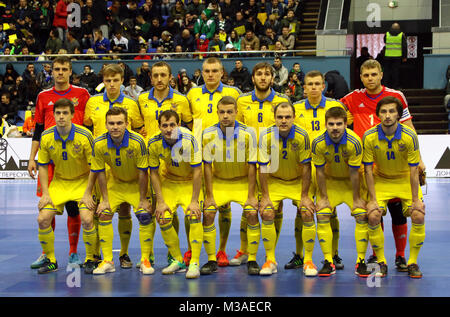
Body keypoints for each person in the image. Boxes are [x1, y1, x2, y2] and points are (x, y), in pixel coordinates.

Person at [340, 59, 425, 271]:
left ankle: (400, 256)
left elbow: (409, 126)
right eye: (366, 75)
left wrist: (420, 159)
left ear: (381, 74)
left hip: (396, 163)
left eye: (374, 74)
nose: (370, 78)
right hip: (366, 166)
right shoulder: (351, 98)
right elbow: (333, 114)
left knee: (398, 211)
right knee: (374, 211)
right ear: (361, 77)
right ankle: (376, 254)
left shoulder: (396, 96)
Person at [28, 56, 91, 269]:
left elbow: (90, 127)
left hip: (76, 159)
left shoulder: (82, 94)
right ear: (51, 72)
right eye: (57, 69)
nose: (60, 72)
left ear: (70, 71)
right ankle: (48, 253)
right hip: (50, 158)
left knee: (75, 208)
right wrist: (32, 158)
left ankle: (74, 251)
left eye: (64, 69)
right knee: (47, 206)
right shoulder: (43, 96)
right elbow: (37, 129)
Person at [83, 63, 144, 269]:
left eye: (115, 80)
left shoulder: (131, 103)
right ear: (103, 81)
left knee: (125, 209)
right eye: (107, 80)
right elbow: (87, 128)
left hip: (124, 165)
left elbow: (138, 130)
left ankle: (124, 254)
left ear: (122, 81)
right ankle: (96, 255)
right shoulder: (92, 102)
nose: (111, 84)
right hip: (100, 163)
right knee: (100, 210)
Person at [82, 107, 153, 275]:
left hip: (137, 184)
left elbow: (144, 173)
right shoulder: (99, 143)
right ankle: (107, 260)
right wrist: (105, 199)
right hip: (115, 184)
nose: (115, 127)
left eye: (119, 123)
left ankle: (145, 259)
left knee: (144, 214)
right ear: (105, 125)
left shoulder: (138, 142)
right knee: (104, 212)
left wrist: (143, 199)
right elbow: (99, 172)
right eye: (111, 123)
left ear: (127, 124)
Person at [288, 71, 347, 271]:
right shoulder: (295, 109)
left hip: (328, 168)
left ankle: (334, 254)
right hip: (304, 167)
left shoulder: (335, 107)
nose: (313, 87)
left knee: (330, 210)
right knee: (301, 210)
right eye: (309, 84)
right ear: (303, 87)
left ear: (324, 86)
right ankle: (299, 254)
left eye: (317, 83)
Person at [187, 57, 241, 266]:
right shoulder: (192, 94)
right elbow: (188, 122)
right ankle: (193, 250)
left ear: (222, 72)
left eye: (215, 70)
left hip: (224, 154)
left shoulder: (233, 93)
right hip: (198, 155)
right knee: (195, 204)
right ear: (202, 72)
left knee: (223, 205)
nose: (210, 74)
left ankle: (221, 250)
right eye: (207, 71)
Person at [363, 96, 425, 278]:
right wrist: (372, 200)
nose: (388, 115)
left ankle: (412, 262)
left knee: (418, 214)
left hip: (405, 179)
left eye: (392, 111)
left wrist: (415, 200)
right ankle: (381, 261)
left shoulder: (410, 136)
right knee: (373, 215)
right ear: (377, 115)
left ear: (398, 114)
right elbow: (367, 170)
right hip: (381, 179)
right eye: (383, 111)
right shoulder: (369, 136)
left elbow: (414, 171)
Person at [234, 62, 290, 266]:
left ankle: (270, 252)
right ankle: (244, 250)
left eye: (267, 74)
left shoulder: (282, 100)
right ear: (253, 78)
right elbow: (237, 129)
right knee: (247, 205)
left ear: (273, 78)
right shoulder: (241, 101)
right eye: (259, 74)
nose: (263, 78)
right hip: (247, 159)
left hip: (274, 160)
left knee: (274, 206)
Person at [35, 98, 97, 274]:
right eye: (58, 113)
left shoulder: (85, 135)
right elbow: (43, 165)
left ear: (72, 115)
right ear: (53, 115)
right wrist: (46, 193)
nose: (61, 117)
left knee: (86, 219)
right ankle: (51, 259)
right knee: (43, 219)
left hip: (83, 182)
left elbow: (95, 167)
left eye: (65, 113)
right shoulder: (46, 136)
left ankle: (91, 258)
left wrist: (88, 192)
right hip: (60, 183)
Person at [311, 106, 372, 277]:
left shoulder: (354, 142)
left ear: (346, 124)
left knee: (361, 214)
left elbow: (354, 173)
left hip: (350, 184)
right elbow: (320, 172)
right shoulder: (317, 142)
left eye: (339, 123)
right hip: (330, 183)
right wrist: (322, 197)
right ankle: (328, 261)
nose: (335, 127)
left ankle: (360, 261)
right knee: (322, 213)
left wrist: (357, 198)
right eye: (331, 124)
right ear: (325, 124)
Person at [200, 96, 258, 275]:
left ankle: (252, 259)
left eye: (229, 112)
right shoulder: (208, 134)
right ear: (217, 113)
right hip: (219, 182)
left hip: (241, 182)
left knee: (251, 212)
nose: (225, 116)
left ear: (236, 113)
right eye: (222, 112)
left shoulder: (248, 134)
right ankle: (211, 259)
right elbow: (207, 167)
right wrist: (209, 195)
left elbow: (252, 166)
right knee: (208, 213)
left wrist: (251, 195)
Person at [257, 102, 314, 276]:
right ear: (274, 118)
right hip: (275, 181)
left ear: (294, 118)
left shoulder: (302, 136)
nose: (283, 120)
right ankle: (270, 259)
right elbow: (263, 167)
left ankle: (308, 261)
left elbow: (306, 168)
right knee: (266, 212)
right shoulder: (265, 135)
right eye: (280, 117)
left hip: (298, 182)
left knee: (306, 211)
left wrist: (305, 196)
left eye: (287, 117)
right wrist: (265, 196)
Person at [148, 110, 203, 278]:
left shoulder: (190, 139)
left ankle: (194, 262)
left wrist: (194, 200)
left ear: (178, 125)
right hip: (170, 181)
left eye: (172, 124)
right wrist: (160, 201)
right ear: (159, 127)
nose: (168, 129)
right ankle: (177, 259)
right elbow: (154, 173)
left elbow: (197, 171)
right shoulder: (153, 143)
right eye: (164, 125)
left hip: (188, 182)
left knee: (194, 214)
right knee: (162, 216)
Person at [383, 23, 407, 89]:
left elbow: (384, 41)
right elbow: (404, 46)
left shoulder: (387, 34)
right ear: (399, 28)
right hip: (397, 56)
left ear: (391, 27)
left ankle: (385, 86)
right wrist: (404, 57)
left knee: (386, 71)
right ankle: (395, 86)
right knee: (395, 72)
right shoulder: (401, 35)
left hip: (387, 56)